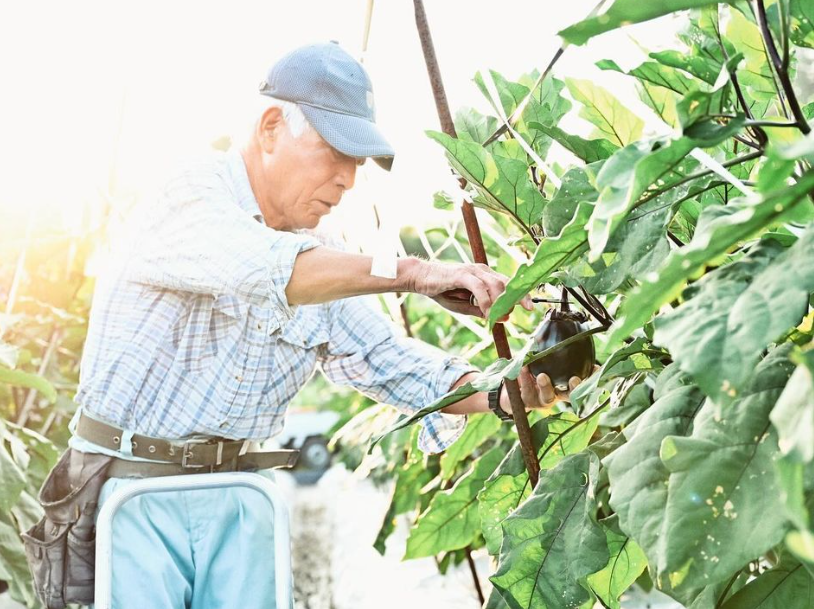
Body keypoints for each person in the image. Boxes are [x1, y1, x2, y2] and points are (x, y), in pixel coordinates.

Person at [64, 42, 581, 608]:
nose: (348, 180)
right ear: (269, 128)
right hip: (130, 487)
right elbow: (270, 270)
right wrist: (413, 272)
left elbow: (392, 363)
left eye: (357, 163)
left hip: (237, 494)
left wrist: (508, 393)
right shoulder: (189, 195)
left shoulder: (322, 252)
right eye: (335, 152)